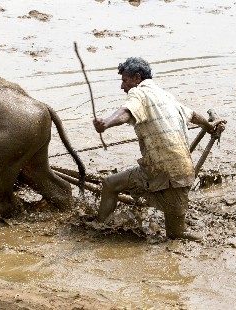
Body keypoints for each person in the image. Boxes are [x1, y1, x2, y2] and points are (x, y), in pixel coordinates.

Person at [92, 57, 224, 240]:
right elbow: (193, 115)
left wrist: (105, 123)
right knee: (176, 231)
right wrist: (209, 127)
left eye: (124, 80)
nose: (122, 87)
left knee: (109, 185)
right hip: (184, 172)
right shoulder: (165, 95)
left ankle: (98, 229)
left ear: (137, 78)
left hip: (159, 171)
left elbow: (125, 112)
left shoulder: (139, 93)